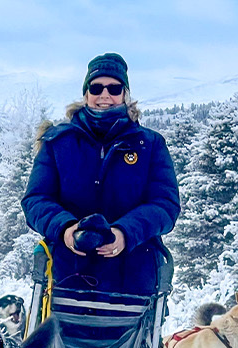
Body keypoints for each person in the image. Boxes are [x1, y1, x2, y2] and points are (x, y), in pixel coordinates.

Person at [21, 52, 180, 296]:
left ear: (125, 95)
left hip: (134, 281)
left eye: (114, 88)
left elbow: (165, 204)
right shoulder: (57, 142)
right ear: (86, 94)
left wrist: (125, 233)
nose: (104, 95)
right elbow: (35, 200)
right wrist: (66, 229)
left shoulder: (150, 145)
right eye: (96, 88)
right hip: (65, 278)